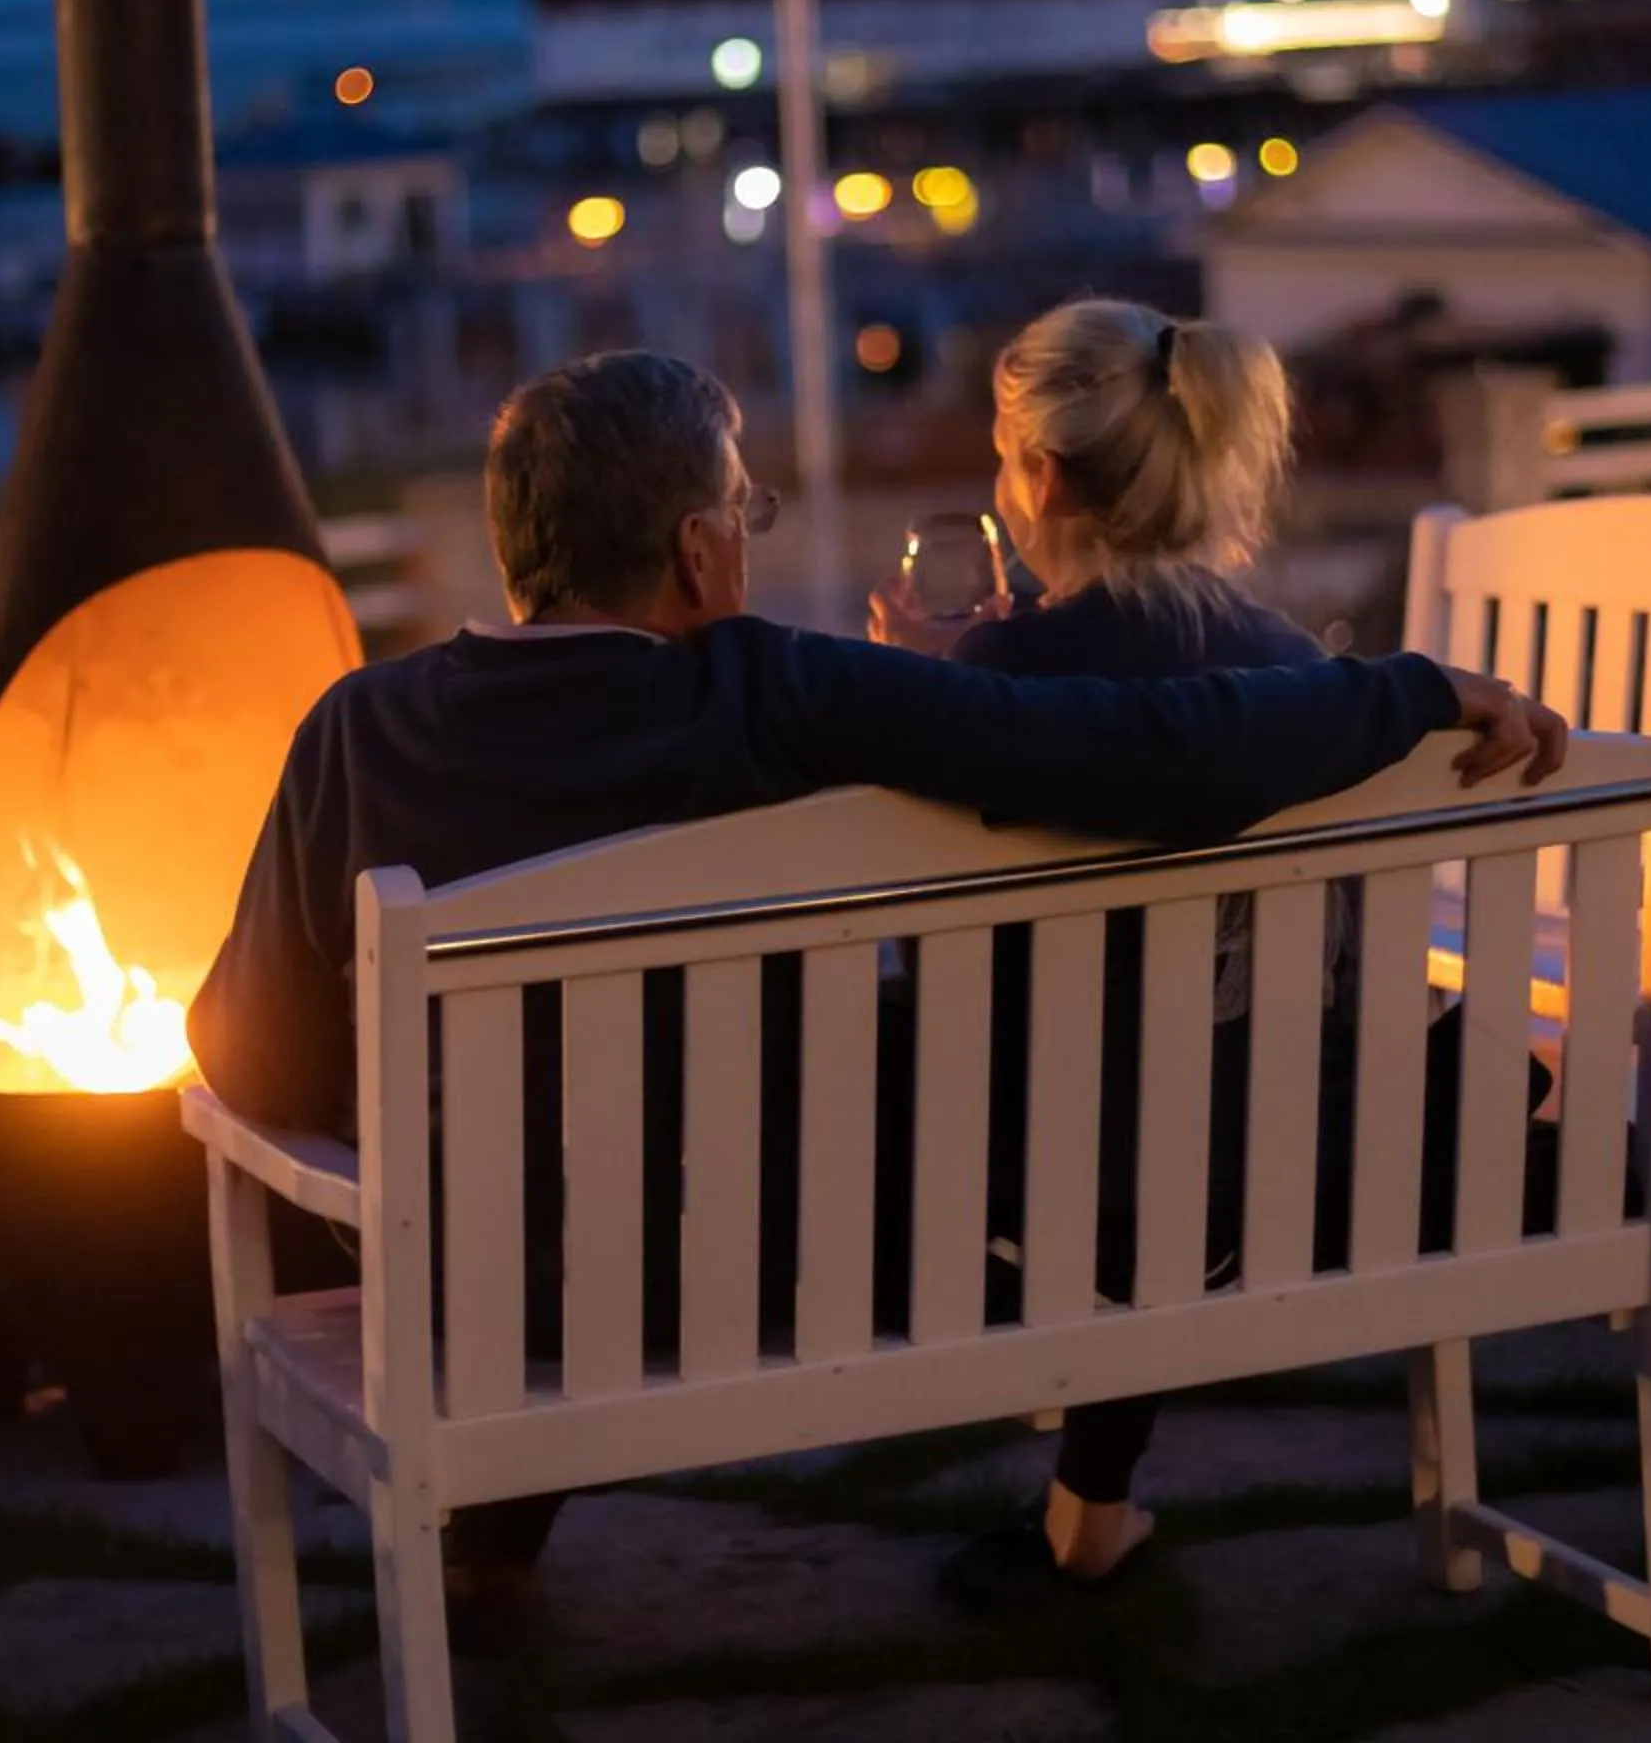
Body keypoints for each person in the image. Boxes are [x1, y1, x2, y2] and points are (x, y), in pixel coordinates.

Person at [189, 349, 1562, 1581]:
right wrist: (1407, 690)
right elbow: (1143, 758)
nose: (747, 539)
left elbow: (248, 1055)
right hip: (771, 1270)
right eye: (744, 513)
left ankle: (489, 1552)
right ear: (697, 555)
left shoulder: (354, 730)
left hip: (469, 1299)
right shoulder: (781, 690)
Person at [867, 299, 1553, 1610]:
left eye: (1007, 451)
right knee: (1178, 1070)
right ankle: (1091, 1512)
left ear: (1044, 476)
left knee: (1053, 1074)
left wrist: (932, 687)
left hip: (1065, 1195)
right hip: (1278, 1168)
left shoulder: (1002, 683)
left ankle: (1087, 1510)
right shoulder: (1302, 673)